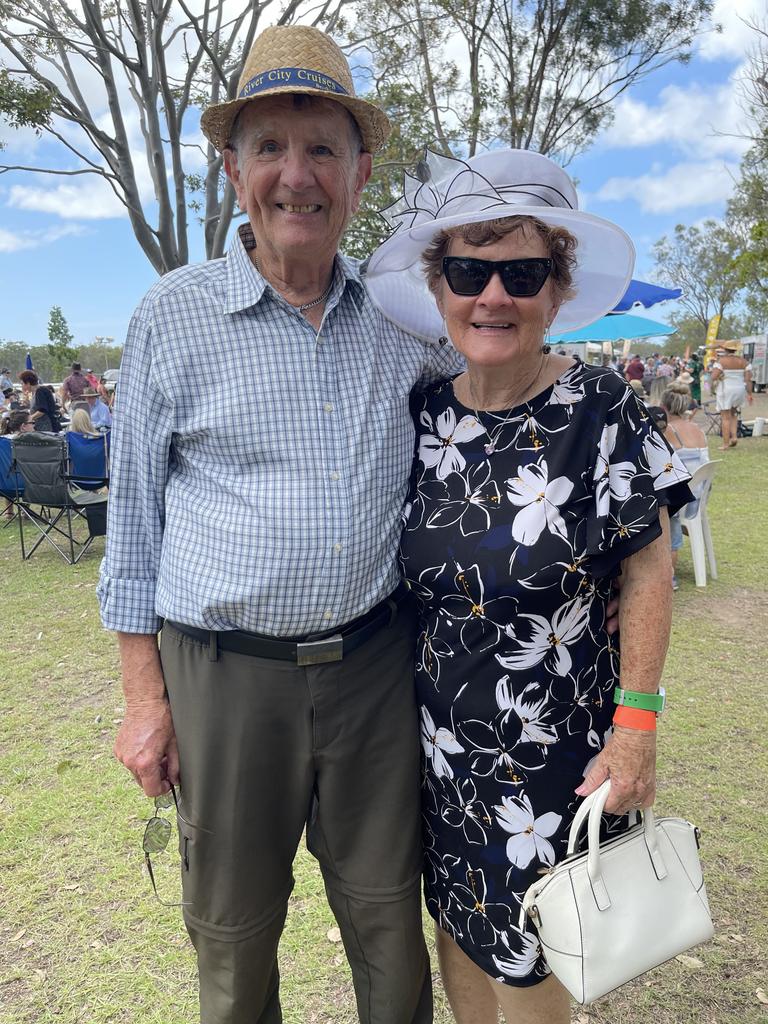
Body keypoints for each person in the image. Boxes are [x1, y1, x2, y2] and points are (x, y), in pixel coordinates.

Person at [98, 25, 464, 1024]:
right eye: (269, 146)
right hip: (222, 680)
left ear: (360, 170)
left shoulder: (406, 319)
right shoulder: (171, 317)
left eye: (322, 149)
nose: (295, 176)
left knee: (390, 926)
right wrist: (145, 702)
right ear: (231, 169)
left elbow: (495, 409)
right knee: (231, 932)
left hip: (375, 672)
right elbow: (130, 532)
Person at [365, 148, 692, 1024]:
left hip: (554, 755)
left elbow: (649, 563)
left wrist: (637, 727)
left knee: (541, 967)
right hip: (436, 753)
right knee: (461, 937)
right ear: (439, 288)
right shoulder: (424, 414)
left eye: (522, 271)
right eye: (470, 270)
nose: (493, 296)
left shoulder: (601, 409)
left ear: (557, 288)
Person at [660, 383, 709, 591]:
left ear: (664, 406)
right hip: (698, 499)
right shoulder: (697, 429)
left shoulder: (668, 431)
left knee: (662, 508)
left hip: (681, 500)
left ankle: (667, 577)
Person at [710, 340, 752, 449]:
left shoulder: (721, 361)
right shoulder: (744, 362)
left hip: (726, 389)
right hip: (740, 389)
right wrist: (750, 394)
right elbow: (748, 380)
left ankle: (725, 444)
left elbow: (713, 377)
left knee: (725, 417)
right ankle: (734, 437)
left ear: (725, 349)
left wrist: (719, 377)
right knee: (734, 414)